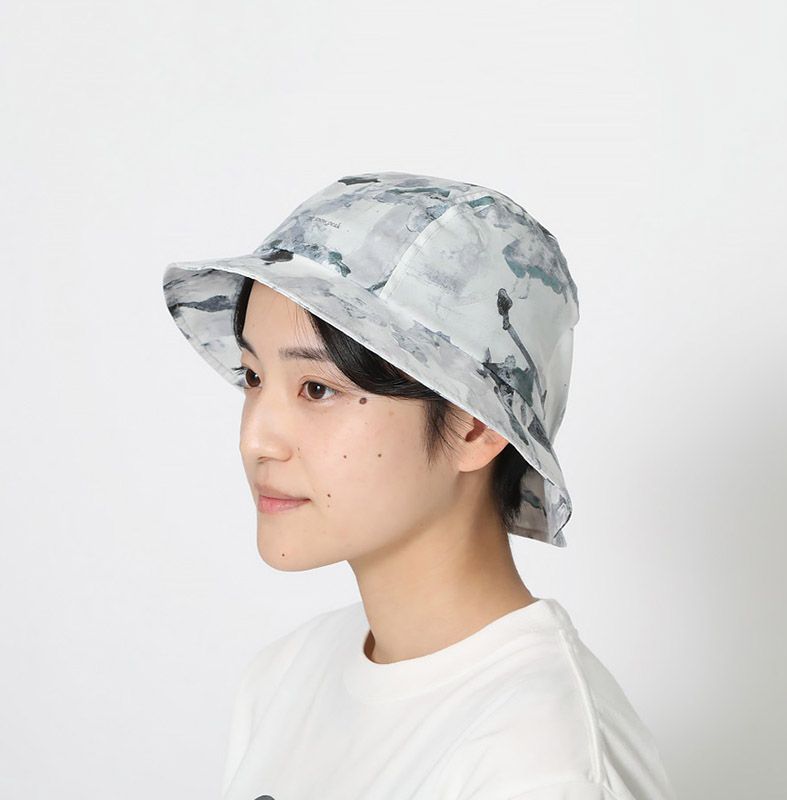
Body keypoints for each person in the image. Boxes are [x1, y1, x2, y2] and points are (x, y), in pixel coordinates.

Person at [162, 171, 677, 799]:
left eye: (317, 389)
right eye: (252, 377)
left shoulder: (543, 764)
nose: (256, 440)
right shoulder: (286, 677)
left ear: (473, 426)